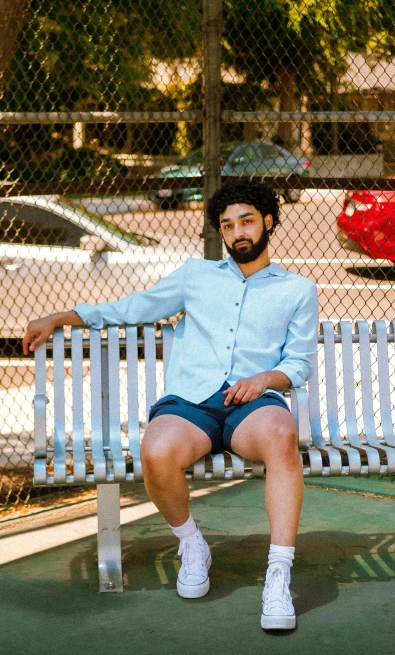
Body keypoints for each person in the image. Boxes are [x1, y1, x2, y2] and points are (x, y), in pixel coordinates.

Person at [23, 180, 318, 631]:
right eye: (228, 225)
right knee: (156, 451)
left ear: (268, 222)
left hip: (254, 406)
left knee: (282, 435)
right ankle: (192, 543)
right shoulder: (195, 276)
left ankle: (278, 575)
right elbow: (133, 308)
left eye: (247, 221)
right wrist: (62, 317)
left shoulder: (297, 289)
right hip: (192, 401)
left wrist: (264, 379)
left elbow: (298, 362)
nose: (238, 232)